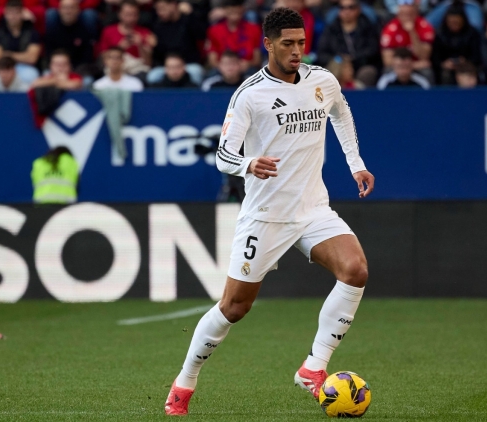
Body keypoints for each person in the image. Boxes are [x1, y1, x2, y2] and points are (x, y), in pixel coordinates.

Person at [164, 7, 374, 416]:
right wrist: (248, 163)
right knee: (234, 308)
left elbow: (342, 112)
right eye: (288, 44)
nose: (297, 51)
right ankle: (184, 381)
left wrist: (356, 163)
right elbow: (224, 154)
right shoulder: (249, 94)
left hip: (313, 208)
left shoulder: (322, 80)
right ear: (268, 44)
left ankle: (313, 368)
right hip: (265, 215)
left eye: (301, 43)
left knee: (355, 269)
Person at [147, 0, 206, 86]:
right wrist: (155, 46)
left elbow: (201, 35)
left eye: (162, 8)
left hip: (188, 64)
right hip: (167, 66)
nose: (159, 13)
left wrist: (191, 14)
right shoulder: (158, 26)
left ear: (173, 5)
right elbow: (159, 56)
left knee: (196, 72)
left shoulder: (188, 20)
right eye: (157, 10)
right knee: (153, 76)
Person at [317, 0, 381, 75]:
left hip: (360, 66)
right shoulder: (331, 29)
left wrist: (353, 59)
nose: (346, 11)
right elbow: (322, 54)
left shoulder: (367, 27)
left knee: (368, 71)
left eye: (351, 7)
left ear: (358, 9)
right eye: (342, 8)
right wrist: (340, 59)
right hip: (337, 66)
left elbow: (373, 50)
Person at [0, 0, 41, 85]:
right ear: (5, 13)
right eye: (10, 13)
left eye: (16, 13)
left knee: (32, 74)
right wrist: (22, 56)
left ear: (22, 13)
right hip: (3, 67)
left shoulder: (32, 32)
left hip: (24, 68)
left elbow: (32, 58)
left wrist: (8, 54)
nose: (13, 16)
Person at [96, 0, 156, 74]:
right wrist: (119, 48)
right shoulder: (108, 31)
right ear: (119, 14)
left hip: (138, 71)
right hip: (116, 70)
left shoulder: (145, 32)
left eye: (135, 15)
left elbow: (148, 64)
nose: (131, 18)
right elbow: (103, 60)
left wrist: (140, 45)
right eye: (127, 15)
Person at [380, 0, 434, 80]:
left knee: (427, 72)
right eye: (403, 15)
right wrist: (407, 67)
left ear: (416, 14)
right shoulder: (389, 29)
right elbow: (387, 61)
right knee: (387, 70)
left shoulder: (425, 27)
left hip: (417, 67)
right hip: (399, 66)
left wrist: (412, 32)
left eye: (409, 14)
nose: (407, 18)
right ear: (398, 15)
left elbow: (423, 56)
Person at [205, 0, 262, 74]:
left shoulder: (254, 29)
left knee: (254, 73)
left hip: (246, 69)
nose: (235, 14)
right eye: (231, 10)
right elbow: (212, 61)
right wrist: (226, 67)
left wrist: (247, 64)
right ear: (225, 10)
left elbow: (257, 60)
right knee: (213, 73)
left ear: (242, 9)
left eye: (237, 10)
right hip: (222, 70)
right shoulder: (214, 30)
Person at [431, 1, 481, 85]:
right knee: (445, 75)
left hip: (467, 67)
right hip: (446, 68)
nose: (454, 25)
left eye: (457, 23)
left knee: (470, 75)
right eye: (451, 23)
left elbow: (477, 56)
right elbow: (435, 57)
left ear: (463, 21)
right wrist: (444, 64)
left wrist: (464, 62)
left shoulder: (472, 33)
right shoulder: (440, 34)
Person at [44, 0, 97, 68]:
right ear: (59, 10)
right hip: (57, 67)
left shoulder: (85, 30)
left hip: (79, 68)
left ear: (78, 10)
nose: (68, 11)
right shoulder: (52, 31)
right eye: (65, 8)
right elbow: (49, 54)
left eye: (72, 8)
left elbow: (87, 57)